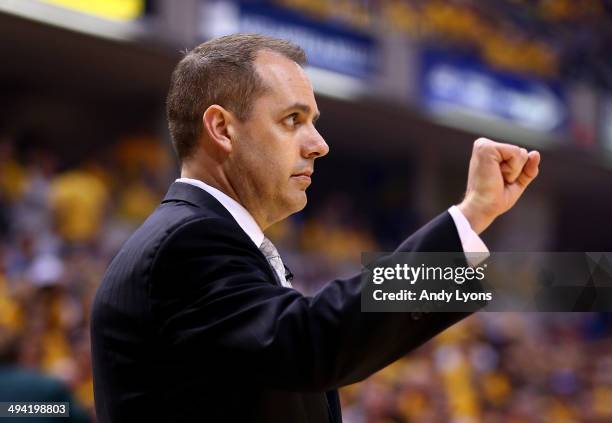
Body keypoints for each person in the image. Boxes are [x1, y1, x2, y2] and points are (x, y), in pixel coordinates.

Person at [90, 34, 540, 422]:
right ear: (222, 128)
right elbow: (312, 344)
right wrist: (470, 216)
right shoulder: (187, 244)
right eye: (293, 120)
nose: (320, 145)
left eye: (313, 123)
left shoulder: (212, 241)